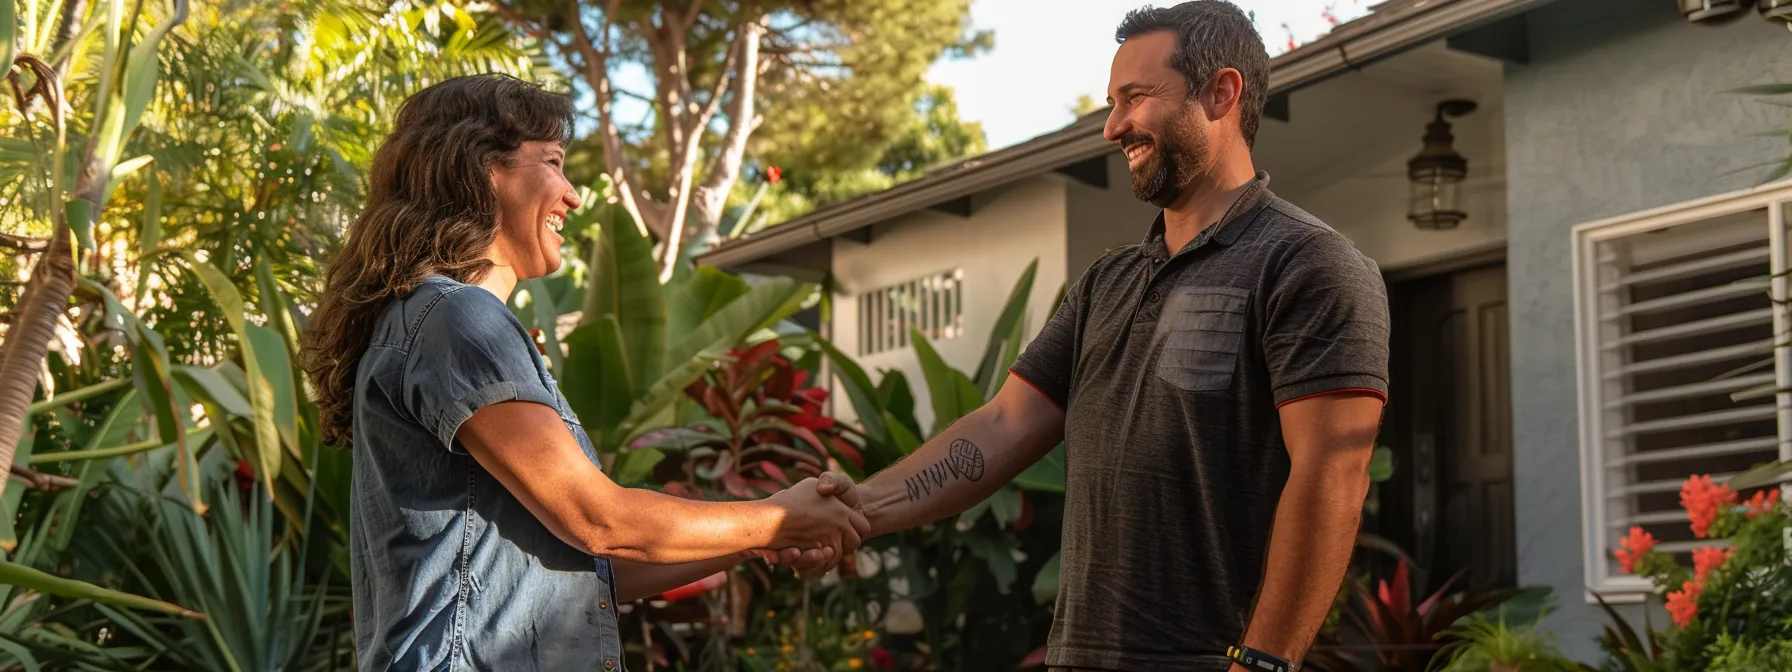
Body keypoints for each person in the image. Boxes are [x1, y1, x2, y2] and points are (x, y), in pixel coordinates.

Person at [813, 3, 1391, 670]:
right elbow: (1002, 426)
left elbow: (1332, 475)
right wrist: (858, 509)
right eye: (1111, 103)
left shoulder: (1308, 265)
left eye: (1135, 98)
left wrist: (1262, 663)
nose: (1113, 127)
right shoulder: (1105, 283)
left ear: (1221, 92)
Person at [302, 74, 865, 672]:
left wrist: (761, 535)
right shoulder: (458, 319)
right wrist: (781, 518)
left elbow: (600, 563)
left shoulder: (433, 320)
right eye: (553, 162)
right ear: (482, 170)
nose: (572, 195)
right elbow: (601, 520)